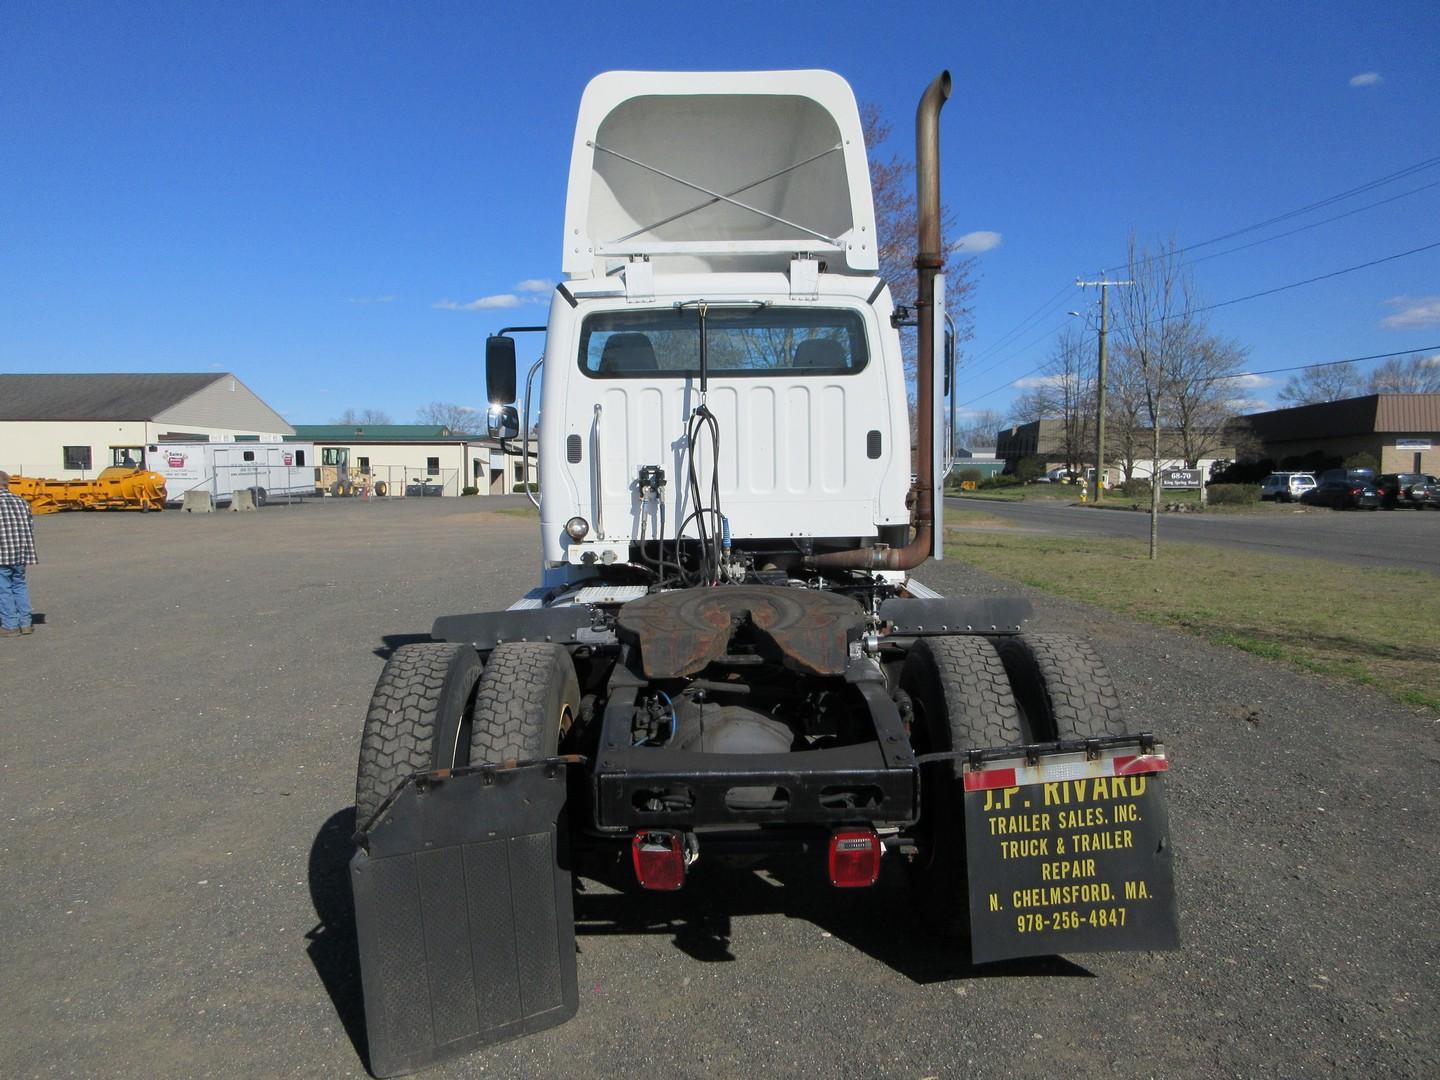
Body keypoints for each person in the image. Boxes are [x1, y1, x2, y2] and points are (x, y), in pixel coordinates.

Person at [0, 470, 38, 637]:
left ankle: (10, 625)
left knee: (4, 589)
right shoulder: (21, 501)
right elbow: (30, 526)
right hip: (20, 552)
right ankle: (26, 623)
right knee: (19, 585)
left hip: (2, 553)